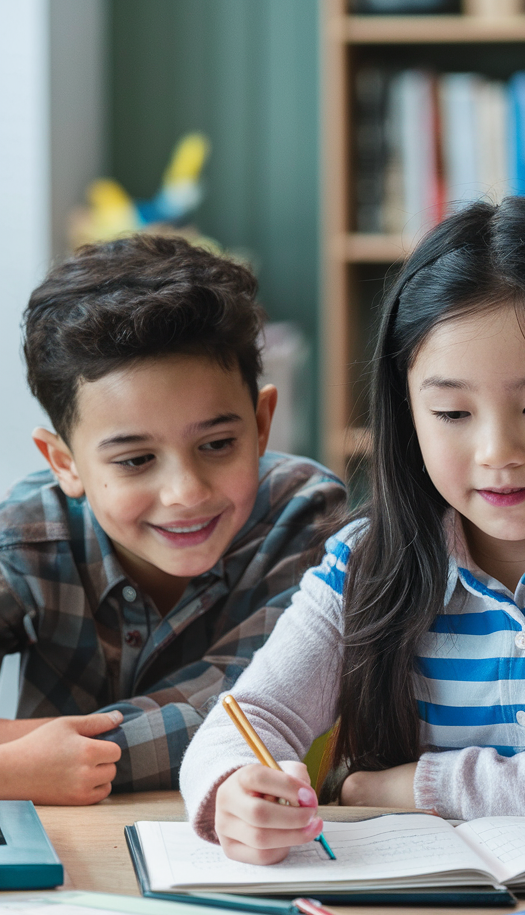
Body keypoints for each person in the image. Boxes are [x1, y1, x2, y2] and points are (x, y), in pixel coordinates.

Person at [180, 197, 525, 863]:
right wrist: (233, 790)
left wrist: (425, 786)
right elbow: (250, 720)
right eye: (452, 413)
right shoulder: (368, 559)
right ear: (409, 410)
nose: (497, 451)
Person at [0, 234, 346, 804]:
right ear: (64, 463)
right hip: (65, 864)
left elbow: (236, 714)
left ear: (261, 424)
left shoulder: (304, 516)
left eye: (216, 444)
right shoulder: (28, 534)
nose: (185, 493)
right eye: (136, 460)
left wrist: (26, 760)